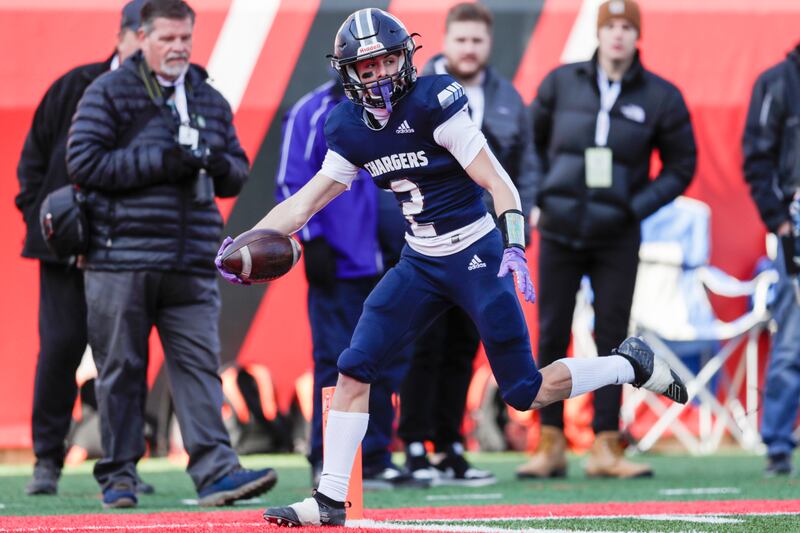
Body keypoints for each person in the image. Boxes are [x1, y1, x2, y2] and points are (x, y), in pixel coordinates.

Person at [215, 8, 688, 527]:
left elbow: (500, 183)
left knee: (524, 391)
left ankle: (628, 364)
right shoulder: (348, 126)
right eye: (366, 66)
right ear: (347, 72)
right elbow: (305, 203)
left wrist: (513, 244)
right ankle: (330, 500)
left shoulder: (434, 103)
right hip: (419, 259)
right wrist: (245, 242)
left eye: (387, 60)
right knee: (354, 366)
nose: (378, 75)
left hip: (476, 254)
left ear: (406, 58)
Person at [65, 0, 276, 509]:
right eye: (168, 38)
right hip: (121, 259)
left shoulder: (206, 95)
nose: (179, 47)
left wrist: (214, 162)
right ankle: (118, 476)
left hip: (191, 259)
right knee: (120, 369)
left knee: (201, 367)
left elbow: (238, 171)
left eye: (185, 38)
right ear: (142, 37)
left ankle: (217, 472)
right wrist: (163, 159)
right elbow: (83, 162)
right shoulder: (109, 91)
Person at [516, 0, 696, 480]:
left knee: (614, 337)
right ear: (598, 33)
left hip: (617, 235)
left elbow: (682, 166)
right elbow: (528, 144)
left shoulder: (661, 96)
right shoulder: (560, 82)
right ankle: (548, 441)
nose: (617, 35)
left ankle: (605, 445)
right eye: (609, 26)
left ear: (637, 35)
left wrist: (633, 207)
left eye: (625, 27)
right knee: (550, 331)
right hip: (557, 228)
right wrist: (537, 199)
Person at [15, 0, 152, 497]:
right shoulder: (73, 85)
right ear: (125, 36)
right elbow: (31, 167)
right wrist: (49, 223)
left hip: (128, 253)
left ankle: (124, 465)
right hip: (65, 255)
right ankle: (47, 460)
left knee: (127, 357)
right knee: (59, 351)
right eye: (147, 35)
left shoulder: (165, 97)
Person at [398, 2, 537, 487]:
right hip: (429, 242)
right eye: (461, 39)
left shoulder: (506, 96)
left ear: (488, 44)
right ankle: (414, 446)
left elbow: (523, 167)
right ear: (446, 40)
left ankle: (451, 445)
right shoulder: (412, 91)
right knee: (423, 344)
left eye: (478, 40)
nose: (469, 48)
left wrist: (519, 228)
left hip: (484, 240)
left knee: (463, 345)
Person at [275, 78, 421, 489]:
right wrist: (313, 240)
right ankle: (328, 460)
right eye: (364, 62)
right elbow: (292, 178)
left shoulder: (408, 104)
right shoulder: (312, 109)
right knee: (336, 359)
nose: (374, 70)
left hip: (402, 255)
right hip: (341, 262)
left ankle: (373, 456)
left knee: (389, 357)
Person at [742, 41, 800, 477]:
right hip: (796, 226)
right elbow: (757, 158)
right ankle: (778, 445)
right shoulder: (778, 82)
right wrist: (779, 220)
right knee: (793, 341)